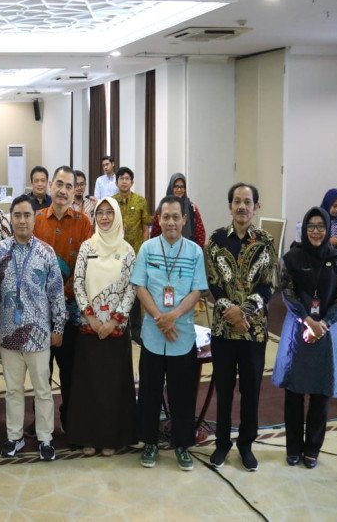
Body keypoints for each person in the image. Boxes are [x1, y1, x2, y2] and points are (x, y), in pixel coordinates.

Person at [0, 194, 66, 461]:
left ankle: (45, 438)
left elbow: (56, 293)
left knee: (43, 389)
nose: (21, 220)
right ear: (11, 218)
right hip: (8, 333)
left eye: (26, 215)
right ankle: (14, 437)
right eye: (17, 215)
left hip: (39, 334)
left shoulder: (46, 252)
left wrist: (59, 327)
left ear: (34, 219)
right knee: (13, 389)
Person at [131, 195, 208, 471]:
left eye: (176, 217)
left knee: (183, 394)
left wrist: (173, 316)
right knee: (150, 392)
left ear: (184, 220)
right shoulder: (148, 249)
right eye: (166, 217)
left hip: (182, 333)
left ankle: (182, 445)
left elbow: (197, 289)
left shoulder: (195, 252)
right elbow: (139, 286)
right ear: (158, 220)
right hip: (153, 334)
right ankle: (150, 442)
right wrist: (159, 317)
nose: (171, 222)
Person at [273, 207, 337, 469]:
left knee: (320, 393)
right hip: (298, 328)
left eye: (321, 226)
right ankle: (293, 447)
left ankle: (312, 449)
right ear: (304, 229)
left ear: (328, 229)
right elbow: (287, 291)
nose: (316, 231)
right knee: (294, 392)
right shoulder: (292, 257)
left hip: (327, 332)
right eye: (311, 226)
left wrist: (324, 324)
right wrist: (307, 320)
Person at [205, 183, 275, 471]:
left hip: (253, 331)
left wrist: (243, 312)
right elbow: (212, 282)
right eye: (237, 201)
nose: (242, 207)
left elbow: (268, 284)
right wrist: (230, 312)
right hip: (223, 331)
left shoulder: (266, 241)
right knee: (224, 389)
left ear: (256, 207)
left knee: (251, 389)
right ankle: (222, 443)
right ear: (229, 205)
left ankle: (246, 445)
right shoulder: (216, 239)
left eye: (248, 202)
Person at [68, 197, 137, 457]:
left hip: (115, 330)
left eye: (110, 213)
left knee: (112, 386)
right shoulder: (88, 247)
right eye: (101, 213)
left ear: (117, 216)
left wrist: (115, 320)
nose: (105, 217)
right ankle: (88, 436)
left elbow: (132, 287)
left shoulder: (128, 250)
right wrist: (92, 318)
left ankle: (111, 437)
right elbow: (78, 283)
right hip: (90, 327)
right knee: (89, 386)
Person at [33, 166, 94, 432]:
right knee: (40, 374)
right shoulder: (35, 220)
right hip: (38, 313)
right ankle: (41, 424)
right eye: (59, 184)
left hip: (71, 313)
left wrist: (64, 294)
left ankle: (71, 421)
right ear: (49, 186)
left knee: (70, 372)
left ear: (75, 192)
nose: (63, 190)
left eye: (70, 186)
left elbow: (87, 268)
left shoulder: (84, 224)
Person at [113, 167, 151, 343]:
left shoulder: (140, 201)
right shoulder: (111, 202)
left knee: (135, 292)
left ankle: (136, 331)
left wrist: (143, 250)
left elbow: (145, 228)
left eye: (127, 178)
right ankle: (119, 326)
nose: (124, 181)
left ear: (132, 182)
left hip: (135, 254)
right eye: (121, 178)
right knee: (118, 290)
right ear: (117, 182)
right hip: (116, 254)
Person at [150, 173, 206, 248]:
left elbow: (200, 234)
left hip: (188, 252)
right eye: (176, 186)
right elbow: (155, 233)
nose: (179, 190)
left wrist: (195, 250)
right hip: (164, 251)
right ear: (171, 187)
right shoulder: (162, 207)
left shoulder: (192, 208)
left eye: (182, 187)